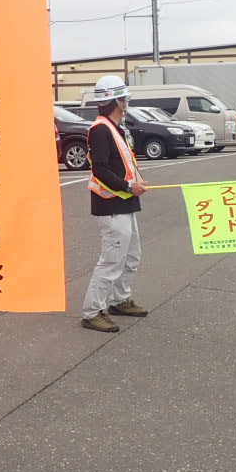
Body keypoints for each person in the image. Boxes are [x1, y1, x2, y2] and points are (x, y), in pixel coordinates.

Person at [82, 74, 148, 333]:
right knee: (111, 261)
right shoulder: (100, 129)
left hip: (125, 202)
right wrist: (127, 186)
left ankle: (119, 301)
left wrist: (134, 184)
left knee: (131, 256)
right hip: (110, 205)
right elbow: (99, 169)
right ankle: (91, 312)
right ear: (117, 101)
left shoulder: (114, 127)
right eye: (124, 97)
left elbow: (121, 164)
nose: (127, 101)